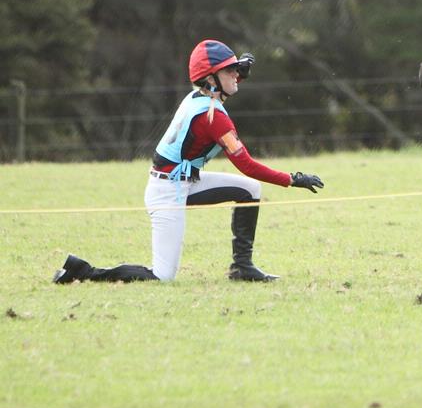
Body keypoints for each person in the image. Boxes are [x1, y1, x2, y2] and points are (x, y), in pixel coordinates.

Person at [53, 39, 324, 284]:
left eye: (236, 69)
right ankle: (84, 271)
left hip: (183, 182)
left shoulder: (199, 95)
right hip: (167, 191)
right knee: (162, 276)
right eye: (230, 70)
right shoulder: (216, 118)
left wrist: (237, 69)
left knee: (250, 190)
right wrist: (292, 179)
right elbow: (247, 165)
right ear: (211, 78)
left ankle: (242, 268)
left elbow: (221, 87)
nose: (237, 76)